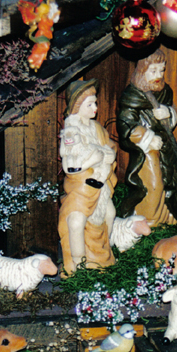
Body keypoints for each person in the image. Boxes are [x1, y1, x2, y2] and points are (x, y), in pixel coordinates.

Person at [117, 49, 177, 226]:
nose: (158, 75)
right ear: (142, 70)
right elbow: (125, 123)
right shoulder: (131, 96)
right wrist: (147, 137)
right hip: (146, 150)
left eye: (161, 70)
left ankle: (166, 216)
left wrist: (169, 113)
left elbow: (175, 111)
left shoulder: (164, 91)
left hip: (166, 146)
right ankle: (148, 218)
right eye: (153, 71)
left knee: (170, 180)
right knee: (154, 184)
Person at [58, 79, 118, 275]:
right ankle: (78, 264)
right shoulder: (71, 130)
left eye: (95, 103)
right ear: (77, 106)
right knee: (76, 222)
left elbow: (110, 146)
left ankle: (103, 254)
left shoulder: (96, 128)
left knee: (110, 213)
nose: (95, 108)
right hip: (81, 186)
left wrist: (109, 154)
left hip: (100, 183)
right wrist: (92, 160)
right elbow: (70, 166)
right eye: (89, 104)